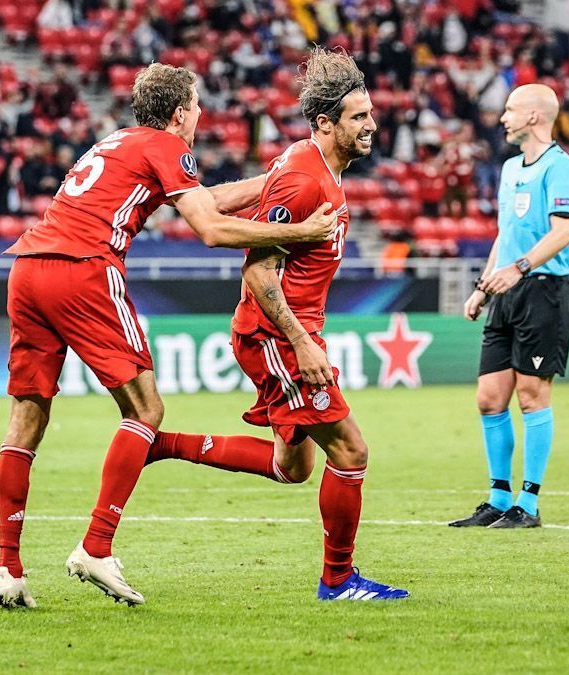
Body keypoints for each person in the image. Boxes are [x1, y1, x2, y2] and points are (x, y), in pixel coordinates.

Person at [0, 63, 339, 609]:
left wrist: (272, 183)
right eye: (197, 106)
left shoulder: (118, 142)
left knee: (26, 419)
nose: (201, 115)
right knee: (145, 410)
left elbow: (207, 201)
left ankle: (9, 569)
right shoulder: (168, 146)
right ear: (180, 114)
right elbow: (212, 229)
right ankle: (96, 547)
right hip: (83, 269)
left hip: (28, 268)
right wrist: (302, 230)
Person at [144, 47, 409, 602]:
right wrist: (301, 344)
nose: (371, 125)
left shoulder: (313, 168)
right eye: (358, 117)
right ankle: (338, 581)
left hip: (290, 332)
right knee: (352, 452)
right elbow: (260, 276)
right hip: (275, 335)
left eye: (370, 114)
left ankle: (164, 444)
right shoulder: (304, 182)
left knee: (293, 468)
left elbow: (242, 205)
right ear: (325, 123)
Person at [449, 83, 569, 529]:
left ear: (533, 117)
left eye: (509, 110)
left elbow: (562, 232)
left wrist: (518, 269)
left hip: (542, 290)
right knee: (489, 398)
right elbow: (504, 235)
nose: (502, 117)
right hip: (506, 291)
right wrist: (484, 287)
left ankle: (530, 503)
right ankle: (498, 499)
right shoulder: (508, 169)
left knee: (532, 395)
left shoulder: (560, 167)